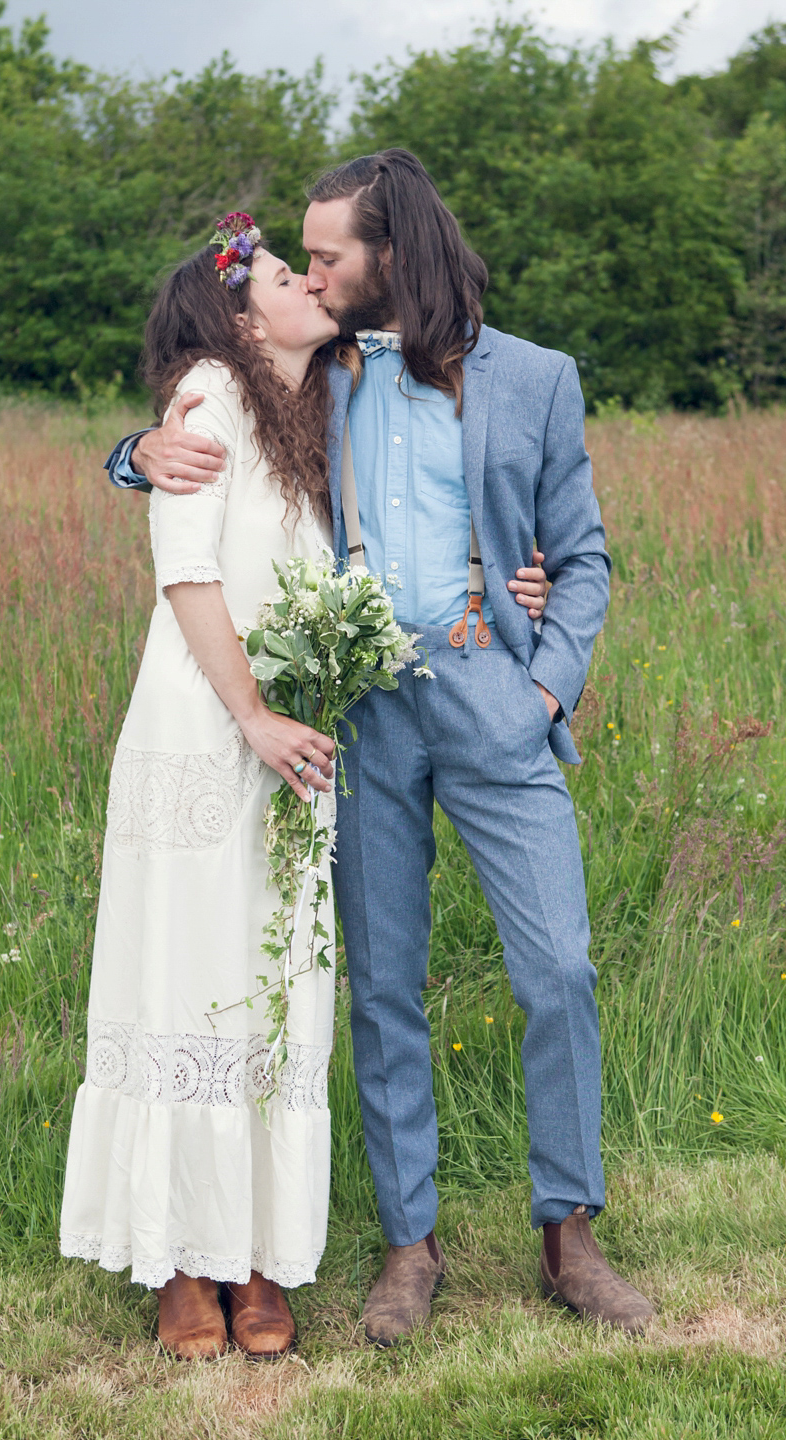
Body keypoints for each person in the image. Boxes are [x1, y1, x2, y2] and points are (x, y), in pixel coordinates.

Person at [106, 154, 632, 1349]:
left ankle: (571, 1232)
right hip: (363, 723)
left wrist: (549, 688)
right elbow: (209, 409)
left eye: (330, 253)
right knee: (383, 986)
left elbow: (581, 556)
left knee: (560, 968)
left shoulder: (540, 381)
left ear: (395, 251)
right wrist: (134, 450)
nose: (316, 272)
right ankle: (410, 1246)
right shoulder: (323, 371)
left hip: (499, 704)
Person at [60, 215, 343, 1362]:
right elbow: (187, 571)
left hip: (291, 743)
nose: (311, 284)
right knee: (186, 970)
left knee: (277, 971)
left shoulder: (325, 403)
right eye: (287, 275)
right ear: (238, 316)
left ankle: (265, 1256)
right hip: (207, 725)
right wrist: (255, 717)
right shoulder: (208, 405)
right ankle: (182, 1260)